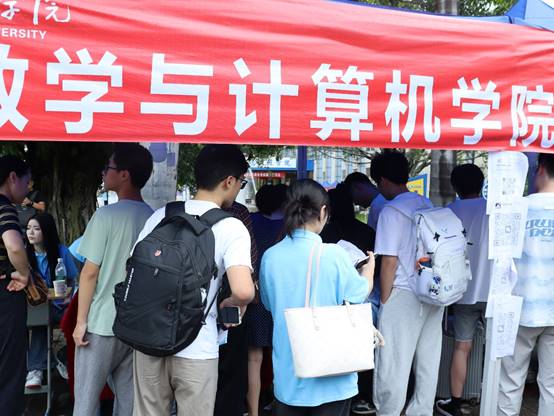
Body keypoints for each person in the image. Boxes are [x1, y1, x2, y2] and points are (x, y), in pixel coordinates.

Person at [132, 144, 255, 416]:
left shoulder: (161, 215)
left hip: (148, 339)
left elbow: (133, 268)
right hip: (197, 345)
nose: (239, 188)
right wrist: (232, 303)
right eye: (241, 182)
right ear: (229, 181)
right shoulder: (231, 226)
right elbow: (244, 291)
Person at [260, 179, 375, 416]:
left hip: (289, 378)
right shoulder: (334, 254)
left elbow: (269, 305)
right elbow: (358, 294)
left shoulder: (270, 257)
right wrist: (369, 271)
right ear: (323, 212)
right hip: (333, 377)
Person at [72, 143, 154, 416]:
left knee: (85, 401)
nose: (104, 172)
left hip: (101, 322)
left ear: (124, 175)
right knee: (129, 403)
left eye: (109, 168)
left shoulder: (105, 215)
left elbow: (90, 272)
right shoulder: (153, 217)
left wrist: (80, 322)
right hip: (137, 326)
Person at [370, 151, 442, 416]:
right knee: (427, 362)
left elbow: (389, 261)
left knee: (393, 363)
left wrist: (385, 300)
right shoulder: (426, 203)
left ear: (383, 180)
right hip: (431, 290)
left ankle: (388, 412)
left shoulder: (391, 211)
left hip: (402, 293)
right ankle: (421, 411)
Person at [498, 153, 554, 416]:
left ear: (539, 169)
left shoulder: (517, 208)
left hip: (519, 308)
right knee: (551, 385)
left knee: (511, 381)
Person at [435, 164, 490, 416]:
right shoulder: (493, 210)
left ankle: (455, 403)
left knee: (461, 347)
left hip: (462, 291)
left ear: (455, 186)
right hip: (493, 291)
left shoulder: (448, 212)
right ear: (482, 183)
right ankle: (491, 401)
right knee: (495, 350)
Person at [214, 200, 259, 416]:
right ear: (229, 183)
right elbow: (251, 260)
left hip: (193, 306)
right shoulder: (238, 212)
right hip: (231, 300)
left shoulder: (181, 210)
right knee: (232, 368)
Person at [245, 184, 287, 416]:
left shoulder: (250, 222)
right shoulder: (289, 226)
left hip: (255, 295)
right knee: (282, 356)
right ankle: (280, 406)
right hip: (281, 295)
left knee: (254, 358)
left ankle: (253, 410)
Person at [25, 212, 78, 389]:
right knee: (40, 321)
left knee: (75, 323)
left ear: (46, 231)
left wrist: (68, 297)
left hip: (59, 306)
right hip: (34, 308)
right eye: (28, 228)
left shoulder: (61, 251)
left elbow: (71, 279)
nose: (31, 232)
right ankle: (36, 370)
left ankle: (63, 358)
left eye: (36, 228)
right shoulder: (23, 254)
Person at [0, 155, 32, 416]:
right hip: (5, 295)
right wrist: (23, 274)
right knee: (9, 367)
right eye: (26, 181)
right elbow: (14, 245)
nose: (28, 188)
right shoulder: (4, 207)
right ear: (12, 178)